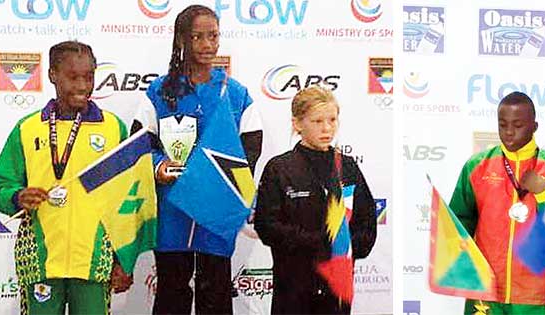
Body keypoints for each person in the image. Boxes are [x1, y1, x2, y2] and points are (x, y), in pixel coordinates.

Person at [131, 5, 263, 315]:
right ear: (181, 40)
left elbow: (250, 150)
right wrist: (157, 166)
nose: (207, 45)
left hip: (215, 211)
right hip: (173, 209)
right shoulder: (160, 92)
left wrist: (220, 183)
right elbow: (138, 143)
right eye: (198, 37)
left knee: (216, 293)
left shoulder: (236, 94)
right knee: (172, 292)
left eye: (213, 36)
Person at [0, 40, 133, 314]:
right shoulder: (28, 128)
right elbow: (2, 183)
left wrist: (123, 260)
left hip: (93, 261)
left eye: (89, 77)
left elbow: (127, 199)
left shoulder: (114, 129)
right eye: (73, 77)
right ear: (52, 75)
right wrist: (18, 196)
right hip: (41, 259)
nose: (82, 86)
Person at [254, 85, 376, 315]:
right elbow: (267, 226)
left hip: (336, 287)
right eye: (317, 121)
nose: (327, 128)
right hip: (294, 286)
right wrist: (317, 244)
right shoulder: (279, 169)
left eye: (332, 119)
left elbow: (367, 222)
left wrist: (346, 249)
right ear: (297, 124)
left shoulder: (347, 167)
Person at [450, 91, 545, 315]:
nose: (509, 132)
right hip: (485, 291)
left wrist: (543, 193)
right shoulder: (477, 166)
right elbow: (457, 224)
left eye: (517, 125)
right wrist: (464, 266)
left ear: (534, 126)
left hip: (532, 292)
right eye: (502, 125)